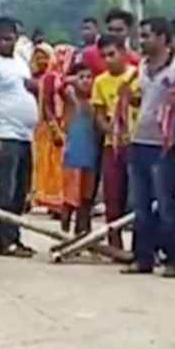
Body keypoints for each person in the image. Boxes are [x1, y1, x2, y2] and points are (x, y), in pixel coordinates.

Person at [121, 17, 175, 278]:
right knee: (139, 204)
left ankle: (173, 259)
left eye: (147, 36)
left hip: (164, 144)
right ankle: (143, 257)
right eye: (140, 36)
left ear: (162, 38)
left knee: (166, 204)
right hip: (140, 139)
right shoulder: (141, 67)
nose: (142, 41)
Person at [0, 17, 39, 258]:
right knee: (6, 190)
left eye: (11, 38)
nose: (7, 43)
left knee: (21, 191)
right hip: (5, 134)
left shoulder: (20, 63)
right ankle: (5, 241)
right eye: (2, 39)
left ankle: (15, 237)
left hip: (25, 136)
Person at [91, 35, 138, 252]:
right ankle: (115, 245)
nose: (108, 60)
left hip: (137, 142)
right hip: (113, 145)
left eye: (112, 54)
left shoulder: (137, 76)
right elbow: (99, 115)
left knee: (137, 197)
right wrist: (110, 130)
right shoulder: (100, 82)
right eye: (104, 56)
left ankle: (140, 246)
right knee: (113, 196)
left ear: (124, 53)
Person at [61, 63, 100, 236]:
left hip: (91, 156)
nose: (85, 81)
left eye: (89, 77)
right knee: (70, 198)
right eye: (81, 77)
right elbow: (58, 85)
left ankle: (82, 230)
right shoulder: (71, 98)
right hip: (73, 156)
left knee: (86, 197)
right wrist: (70, 81)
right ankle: (64, 233)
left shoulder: (95, 101)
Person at [30, 43, 68, 212]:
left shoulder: (61, 77)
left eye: (45, 57)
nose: (42, 61)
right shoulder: (49, 78)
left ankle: (57, 202)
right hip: (49, 127)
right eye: (38, 57)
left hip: (61, 125)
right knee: (48, 164)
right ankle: (51, 201)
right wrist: (54, 128)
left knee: (58, 165)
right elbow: (46, 105)